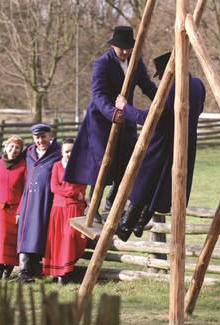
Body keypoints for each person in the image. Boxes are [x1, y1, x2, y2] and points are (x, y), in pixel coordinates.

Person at [63, 26, 157, 214]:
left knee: (129, 160)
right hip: (101, 120)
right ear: (113, 45)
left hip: (126, 120)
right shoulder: (102, 63)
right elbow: (97, 94)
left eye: (127, 47)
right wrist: (112, 112)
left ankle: (113, 199)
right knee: (102, 162)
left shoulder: (135, 61)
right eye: (120, 47)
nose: (124, 51)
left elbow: (146, 85)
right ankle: (93, 206)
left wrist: (162, 99)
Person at [113, 51, 206, 242]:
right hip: (186, 143)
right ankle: (140, 222)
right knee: (161, 185)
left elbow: (149, 118)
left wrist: (125, 107)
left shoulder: (172, 88)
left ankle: (125, 227)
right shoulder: (198, 85)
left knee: (142, 181)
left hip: (162, 142)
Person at [16, 123, 62, 283]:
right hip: (29, 199)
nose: (40, 140)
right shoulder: (29, 152)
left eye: (43, 137)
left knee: (40, 232)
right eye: (37, 137)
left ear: (50, 136)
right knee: (26, 231)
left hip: (47, 200)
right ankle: (25, 271)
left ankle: (36, 269)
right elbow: (11, 157)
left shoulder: (58, 153)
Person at [42, 138, 88, 284]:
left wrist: (70, 191)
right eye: (67, 151)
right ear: (62, 153)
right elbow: (53, 187)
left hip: (75, 208)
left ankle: (67, 270)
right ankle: (58, 273)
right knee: (57, 239)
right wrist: (72, 192)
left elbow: (81, 187)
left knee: (70, 237)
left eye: (72, 151)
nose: (69, 154)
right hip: (58, 208)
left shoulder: (81, 167)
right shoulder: (56, 166)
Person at [0, 135, 26, 280]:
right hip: (1, 209)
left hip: (16, 211)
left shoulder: (24, 166)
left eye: (17, 148)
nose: (13, 150)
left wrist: (21, 211)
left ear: (21, 150)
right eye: (11, 146)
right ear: (5, 147)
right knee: (1, 239)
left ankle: (7, 271)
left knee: (13, 241)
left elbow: (26, 191)